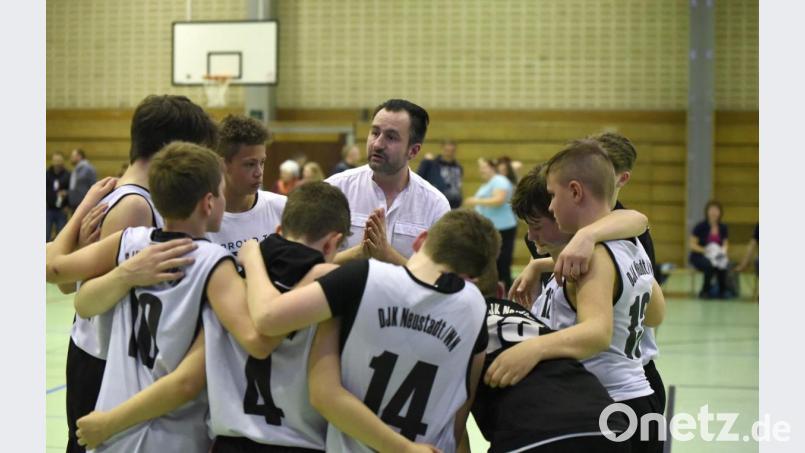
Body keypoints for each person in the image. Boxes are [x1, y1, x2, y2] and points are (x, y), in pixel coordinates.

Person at [72, 181, 350, 453]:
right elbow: (261, 342)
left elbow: (64, 278)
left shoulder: (234, 285)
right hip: (299, 441)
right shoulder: (334, 295)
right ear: (332, 244)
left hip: (230, 440)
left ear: (278, 230)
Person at [238, 209, 499, 453]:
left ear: (420, 240)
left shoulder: (363, 277)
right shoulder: (475, 309)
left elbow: (268, 318)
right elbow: (458, 416)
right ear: (472, 277)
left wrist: (251, 255)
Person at [47, 142, 249, 452]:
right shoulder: (215, 263)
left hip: (112, 431)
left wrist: (123, 272)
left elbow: (74, 292)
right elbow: (192, 378)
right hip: (168, 434)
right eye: (221, 194)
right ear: (208, 203)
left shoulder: (129, 242)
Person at [513, 141, 664, 453]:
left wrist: (533, 348)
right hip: (640, 398)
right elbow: (655, 314)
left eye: (553, 196)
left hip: (610, 402)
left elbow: (596, 333)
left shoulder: (595, 254)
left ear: (575, 192)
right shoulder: (631, 245)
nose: (552, 206)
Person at [471, 267, 629, 453]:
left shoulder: (460, 324)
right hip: (607, 423)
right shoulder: (527, 316)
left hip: (531, 434)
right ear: (500, 291)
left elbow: (452, 433)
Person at [325, 99, 450, 266]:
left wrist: (388, 255)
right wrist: (359, 253)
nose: (377, 144)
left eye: (391, 137)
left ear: (413, 151)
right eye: (375, 133)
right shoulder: (335, 189)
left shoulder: (435, 205)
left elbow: (438, 277)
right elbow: (309, 261)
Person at [206, 114, 286, 257]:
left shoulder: (282, 208)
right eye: (250, 164)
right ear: (222, 164)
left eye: (262, 162)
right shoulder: (203, 218)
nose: (259, 172)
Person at [464, 158, 517, 291]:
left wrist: (476, 200)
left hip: (503, 228)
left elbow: (499, 200)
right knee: (491, 263)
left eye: (484, 167)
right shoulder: (487, 184)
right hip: (491, 229)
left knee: (502, 263)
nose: (481, 170)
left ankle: (507, 293)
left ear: (492, 168)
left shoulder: (500, 180)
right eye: (480, 168)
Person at [689, 200, 730, 299]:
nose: (714, 212)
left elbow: (725, 244)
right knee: (709, 265)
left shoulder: (723, 227)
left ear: (720, 212)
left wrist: (723, 252)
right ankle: (705, 291)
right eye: (711, 210)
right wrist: (705, 250)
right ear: (707, 212)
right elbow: (692, 245)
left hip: (717, 254)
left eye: (716, 210)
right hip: (699, 255)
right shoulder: (700, 226)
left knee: (723, 264)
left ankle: (722, 291)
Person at [416, 139, 464, 209]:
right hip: (436, 203)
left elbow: (458, 185)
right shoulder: (432, 164)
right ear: (442, 149)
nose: (449, 153)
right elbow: (419, 180)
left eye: (452, 151)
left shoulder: (458, 167)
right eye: (447, 150)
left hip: (455, 204)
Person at [47, 151, 71, 241]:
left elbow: (71, 190)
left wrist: (67, 204)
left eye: (59, 161)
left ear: (62, 162)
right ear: (52, 161)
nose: (57, 163)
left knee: (60, 236)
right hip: (49, 209)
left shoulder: (68, 175)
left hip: (62, 210)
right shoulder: (47, 174)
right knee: (46, 234)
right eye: (55, 161)